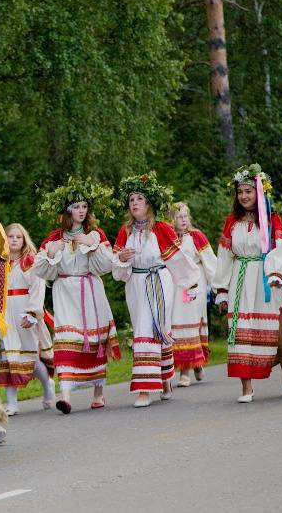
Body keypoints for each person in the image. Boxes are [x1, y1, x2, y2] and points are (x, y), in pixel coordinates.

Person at [112, 173, 200, 408]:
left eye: (139, 199)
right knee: (149, 328)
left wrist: (191, 284)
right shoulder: (126, 231)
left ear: (149, 203)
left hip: (159, 281)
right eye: (131, 200)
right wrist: (121, 259)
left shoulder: (162, 228)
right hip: (136, 285)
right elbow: (118, 272)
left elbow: (178, 260)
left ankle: (145, 390)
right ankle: (165, 377)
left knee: (150, 329)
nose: (135, 203)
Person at [33, 177, 120, 414]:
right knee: (66, 338)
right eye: (76, 207)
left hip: (90, 290)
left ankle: (98, 392)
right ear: (67, 211)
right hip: (65, 292)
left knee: (94, 339)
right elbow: (41, 270)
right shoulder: (54, 238)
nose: (81, 211)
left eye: (84, 206)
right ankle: (65, 396)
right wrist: (51, 253)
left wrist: (92, 245)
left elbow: (107, 265)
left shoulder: (95, 234)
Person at [212, 164, 282, 403]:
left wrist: (276, 273)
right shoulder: (232, 221)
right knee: (240, 332)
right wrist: (222, 289)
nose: (244, 196)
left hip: (266, 278)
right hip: (240, 278)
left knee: (275, 333)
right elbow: (224, 255)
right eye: (240, 192)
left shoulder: (271, 219)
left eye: (248, 191)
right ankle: (246, 388)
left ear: (259, 192)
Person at [0, 223, 55, 415]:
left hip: (25, 313)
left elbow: (37, 287)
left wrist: (32, 313)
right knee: (8, 357)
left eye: (18, 237)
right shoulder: (0, 262)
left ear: (24, 240)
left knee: (31, 358)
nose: (14, 240)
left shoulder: (30, 262)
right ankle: (12, 403)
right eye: (10, 236)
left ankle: (47, 385)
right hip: (6, 314)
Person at [168, 202, 216, 386]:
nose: (182, 220)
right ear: (172, 219)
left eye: (185, 216)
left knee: (191, 323)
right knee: (177, 324)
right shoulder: (169, 237)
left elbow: (210, 261)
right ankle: (196, 363)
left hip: (195, 285)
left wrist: (218, 287)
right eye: (178, 217)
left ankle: (185, 372)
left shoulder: (196, 236)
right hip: (176, 285)